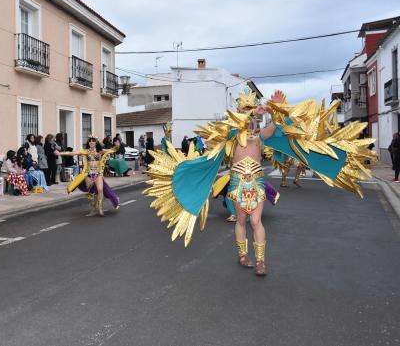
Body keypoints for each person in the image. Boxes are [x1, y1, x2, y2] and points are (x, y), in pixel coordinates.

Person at [144, 87, 376, 277]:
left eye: (252, 114)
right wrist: (253, 110)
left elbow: (281, 125)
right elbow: (234, 125)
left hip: (255, 185)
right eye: (246, 113)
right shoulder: (233, 137)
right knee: (241, 220)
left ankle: (261, 261)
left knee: (256, 221)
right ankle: (243, 255)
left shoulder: (259, 138)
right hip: (236, 185)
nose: (251, 119)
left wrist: (276, 109)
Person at [60, 135, 120, 216]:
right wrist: (59, 153)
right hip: (88, 174)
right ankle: (92, 209)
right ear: (88, 142)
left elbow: (112, 150)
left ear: (96, 142)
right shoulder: (85, 151)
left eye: (93, 140)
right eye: (90, 140)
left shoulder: (100, 151)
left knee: (100, 189)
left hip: (98, 174)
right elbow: (72, 153)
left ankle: (100, 208)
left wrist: (117, 146)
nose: (91, 142)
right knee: (91, 193)